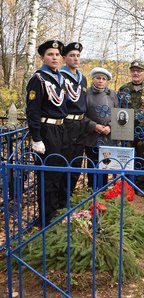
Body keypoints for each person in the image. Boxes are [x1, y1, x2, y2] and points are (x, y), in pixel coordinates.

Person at [26, 40, 67, 226]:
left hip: (60, 128)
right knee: (48, 175)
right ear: (43, 57)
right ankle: (45, 218)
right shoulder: (38, 79)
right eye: (50, 54)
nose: (55, 57)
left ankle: (55, 210)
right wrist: (36, 138)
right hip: (46, 130)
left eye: (57, 54)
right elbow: (32, 110)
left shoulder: (58, 77)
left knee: (58, 173)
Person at [58, 42, 87, 205]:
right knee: (64, 162)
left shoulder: (82, 78)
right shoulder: (60, 76)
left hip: (81, 124)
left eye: (78, 56)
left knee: (76, 163)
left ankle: (68, 198)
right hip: (67, 123)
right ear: (64, 58)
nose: (76, 59)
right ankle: (60, 202)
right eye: (72, 55)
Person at [118, 60, 144, 189]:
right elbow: (118, 109)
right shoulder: (124, 89)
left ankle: (142, 187)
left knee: (143, 159)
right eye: (133, 70)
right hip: (126, 131)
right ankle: (126, 185)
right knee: (126, 158)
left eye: (139, 71)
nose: (136, 73)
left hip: (143, 131)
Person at [84, 67, 118, 189]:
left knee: (105, 164)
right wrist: (94, 126)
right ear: (93, 79)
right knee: (92, 163)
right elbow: (81, 115)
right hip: (92, 136)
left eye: (104, 79)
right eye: (98, 78)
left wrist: (110, 127)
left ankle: (103, 189)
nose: (101, 81)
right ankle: (92, 188)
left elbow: (118, 114)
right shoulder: (86, 93)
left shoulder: (113, 94)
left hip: (107, 136)